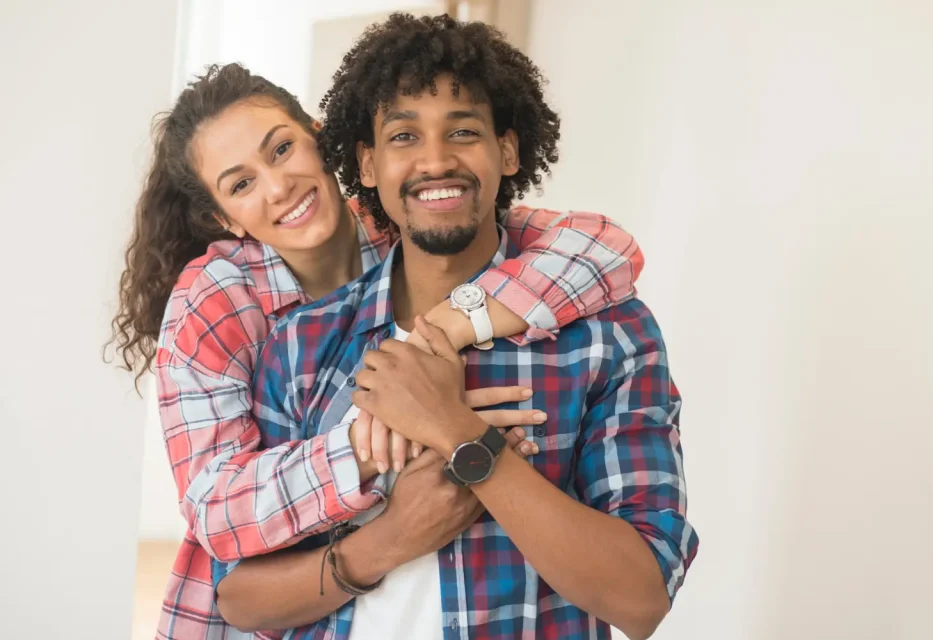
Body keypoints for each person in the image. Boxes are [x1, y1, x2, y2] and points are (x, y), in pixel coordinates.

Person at [108, 60, 647, 638]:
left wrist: (432, 337)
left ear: (320, 138)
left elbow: (603, 246)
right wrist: (368, 439)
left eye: (282, 149)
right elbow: (216, 508)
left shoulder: (407, 217)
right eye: (241, 184)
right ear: (224, 218)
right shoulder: (219, 301)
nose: (278, 185)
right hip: (263, 604)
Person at [214, 13, 697, 640]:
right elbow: (240, 600)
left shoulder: (607, 334)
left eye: (463, 130)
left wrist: (462, 436)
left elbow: (641, 598)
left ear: (508, 150)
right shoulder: (303, 344)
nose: (436, 160)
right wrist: (386, 541)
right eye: (404, 136)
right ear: (367, 163)